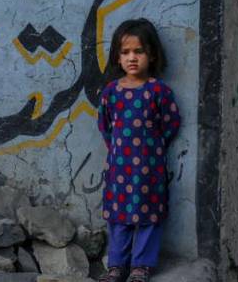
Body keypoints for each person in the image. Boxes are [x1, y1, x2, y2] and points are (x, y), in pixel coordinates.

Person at [96, 18, 181, 282]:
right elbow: (105, 126)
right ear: (117, 57)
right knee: (119, 216)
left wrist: (151, 149)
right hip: (118, 167)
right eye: (125, 52)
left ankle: (140, 266)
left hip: (150, 169)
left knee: (148, 215)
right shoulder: (111, 92)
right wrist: (119, 151)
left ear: (152, 54)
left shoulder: (158, 91)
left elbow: (171, 124)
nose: (132, 58)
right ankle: (116, 266)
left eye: (139, 51)